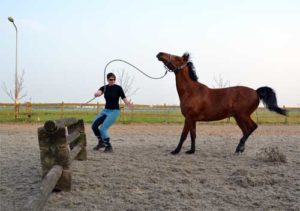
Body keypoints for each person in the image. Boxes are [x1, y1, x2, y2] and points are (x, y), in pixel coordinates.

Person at [92, 72, 133, 152]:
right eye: (111, 79)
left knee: (103, 128)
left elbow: (124, 98)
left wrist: (128, 104)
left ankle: (108, 146)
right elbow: (99, 92)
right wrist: (97, 93)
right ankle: (101, 142)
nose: (112, 81)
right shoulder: (104, 87)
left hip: (114, 111)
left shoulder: (118, 88)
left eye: (114, 79)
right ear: (107, 79)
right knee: (94, 126)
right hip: (105, 111)